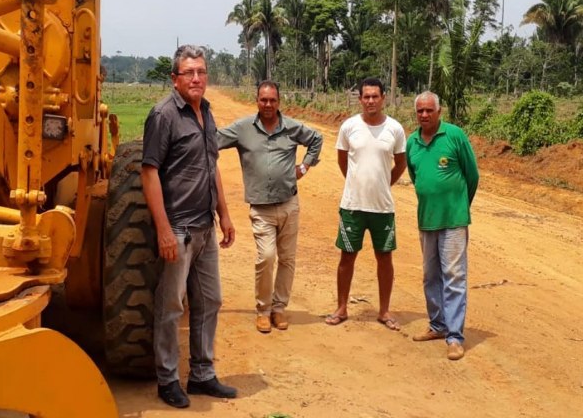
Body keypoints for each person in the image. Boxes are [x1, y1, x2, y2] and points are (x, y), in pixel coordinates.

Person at [141, 44, 237, 408]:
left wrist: (224, 214)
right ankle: (167, 379)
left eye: (201, 72)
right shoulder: (163, 115)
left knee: (210, 300)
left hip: (205, 227)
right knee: (171, 307)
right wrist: (164, 230)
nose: (196, 78)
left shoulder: (206, 112)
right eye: (189, 72)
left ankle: (201, 374)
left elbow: (212, 165)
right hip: (178, 229)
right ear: (175, 78)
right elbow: (149, 173)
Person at [218, 80, 323, 334]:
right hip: (261, 209)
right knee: (266, 257)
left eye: (272, 100)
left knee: (287, 259)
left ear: (279, 102)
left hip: (289, 204)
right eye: (263, 100)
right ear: (257, 101)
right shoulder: (243, 129)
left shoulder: (291, 127)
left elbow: (316, 139)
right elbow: (212, 140)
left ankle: (279, 308)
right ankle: (263, 310)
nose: (268, 104)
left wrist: (305, 166)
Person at [325, 77, 407, 331]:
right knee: (347, 257)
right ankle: (341, 308)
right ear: (360, 99)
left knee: (385, 258)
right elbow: (342, 161)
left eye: (375, 96)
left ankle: (384, 311)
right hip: (352, 206)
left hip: (383, 208)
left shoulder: (395, 129)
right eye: (366, 96)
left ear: (383, 98)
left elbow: (401, 163)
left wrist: (384, 184)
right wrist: (355, 183)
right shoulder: (349, 127)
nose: (371, 101)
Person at [406, 91, 479, 361]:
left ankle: (455, 336)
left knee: (454, 277)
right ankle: (437, 325)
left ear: (439, 112)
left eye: (429, 110)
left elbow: (472, 175)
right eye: (420, 111)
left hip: (453, 220)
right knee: (430, 275)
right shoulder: (412, 142)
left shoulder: (455, 136)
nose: (424, 115)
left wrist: (460, 205)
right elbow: (416, 176)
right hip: (427, 219)